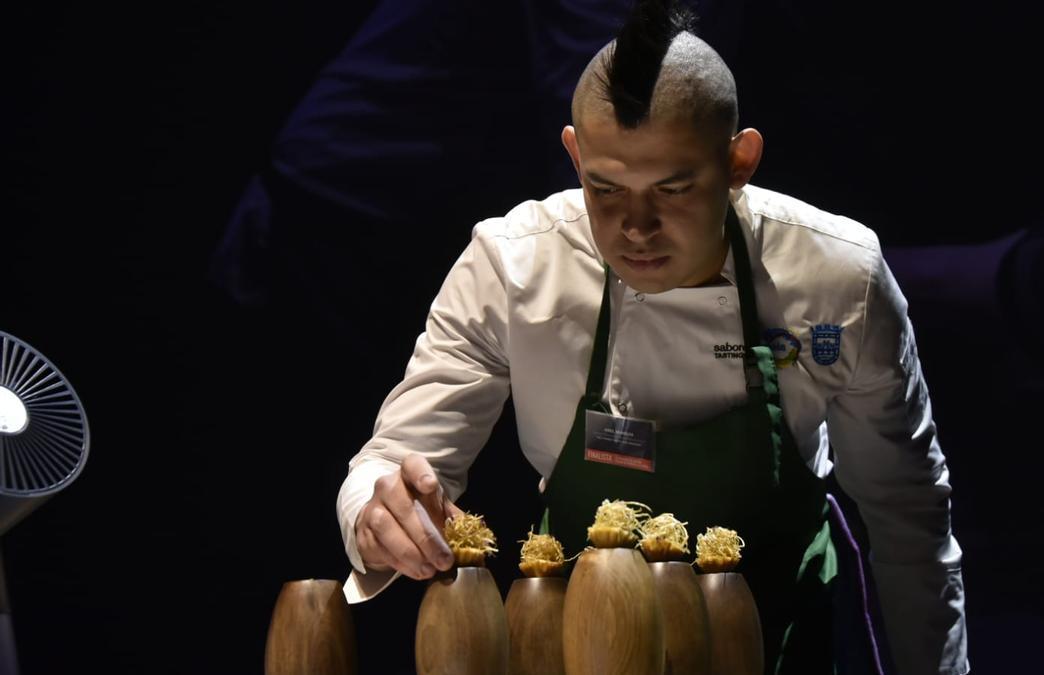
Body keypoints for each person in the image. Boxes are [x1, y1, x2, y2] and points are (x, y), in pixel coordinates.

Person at [336, 1, 967, 673]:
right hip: (573, 647)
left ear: (737, 161)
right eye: (605, 189)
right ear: (574, 153)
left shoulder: (837, 279)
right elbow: (387, 462)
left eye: (673, 189)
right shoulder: (513, 265)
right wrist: (376, 515)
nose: (635, 227)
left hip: (777, 639)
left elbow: (909, 518)